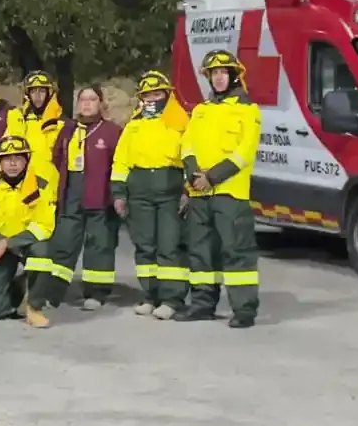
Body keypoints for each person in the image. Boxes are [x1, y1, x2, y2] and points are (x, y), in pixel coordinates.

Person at [23, 86, 122, 326]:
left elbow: (120, 164)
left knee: (100, 246)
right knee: (63, 244)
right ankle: (54, 293)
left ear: (101, 104)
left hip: (100, 197)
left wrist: (118, 195)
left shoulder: (113, 131)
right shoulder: (67, 130)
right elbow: (57, 160)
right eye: (83, 100)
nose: (87, 104)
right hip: (71, 196)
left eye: (92, 99)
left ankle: (96, 293)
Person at [177, 50, 261, 328]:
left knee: (236, 251)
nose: (219, 78)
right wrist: (192, 174)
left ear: (234, 75)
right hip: (200, 193)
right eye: (214, 73)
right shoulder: (201, 110)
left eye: (224, 72)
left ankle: (244, 310)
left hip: (230, 194)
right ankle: (202, 304)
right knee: (201, 251)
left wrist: (211, 177)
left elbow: (244, 153)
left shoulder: (248, 110)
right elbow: (187, 144)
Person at [111, 70, 191, 320]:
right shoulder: (133, 126)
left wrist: (188, 190)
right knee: (145, 247)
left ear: (167, 95)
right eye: (146, 95)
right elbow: (121, 161)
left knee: (169, 246)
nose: (151, 100)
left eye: (156, 94)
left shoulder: (181, 123)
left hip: (170, 191)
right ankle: (150, 295)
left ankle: (172, 299)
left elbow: (191, 157)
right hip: (139, 192)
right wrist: (118, 193)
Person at [0, 136, 56, 323]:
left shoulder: (41, 187)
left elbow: (44, 226)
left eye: (18, 158)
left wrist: (7, 243)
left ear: (27, 161)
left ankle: (34, 307)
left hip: (25, 244)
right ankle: (19, 286)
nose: (12, 163)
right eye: (7, 158)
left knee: (42, 251)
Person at [5, 70, 64, 182]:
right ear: (28, 95)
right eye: (33, 91)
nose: (37, 96)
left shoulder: (61, 123)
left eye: (41, 91)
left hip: (52, 184)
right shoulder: (19, 120)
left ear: (50, 93)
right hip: (23, 183)